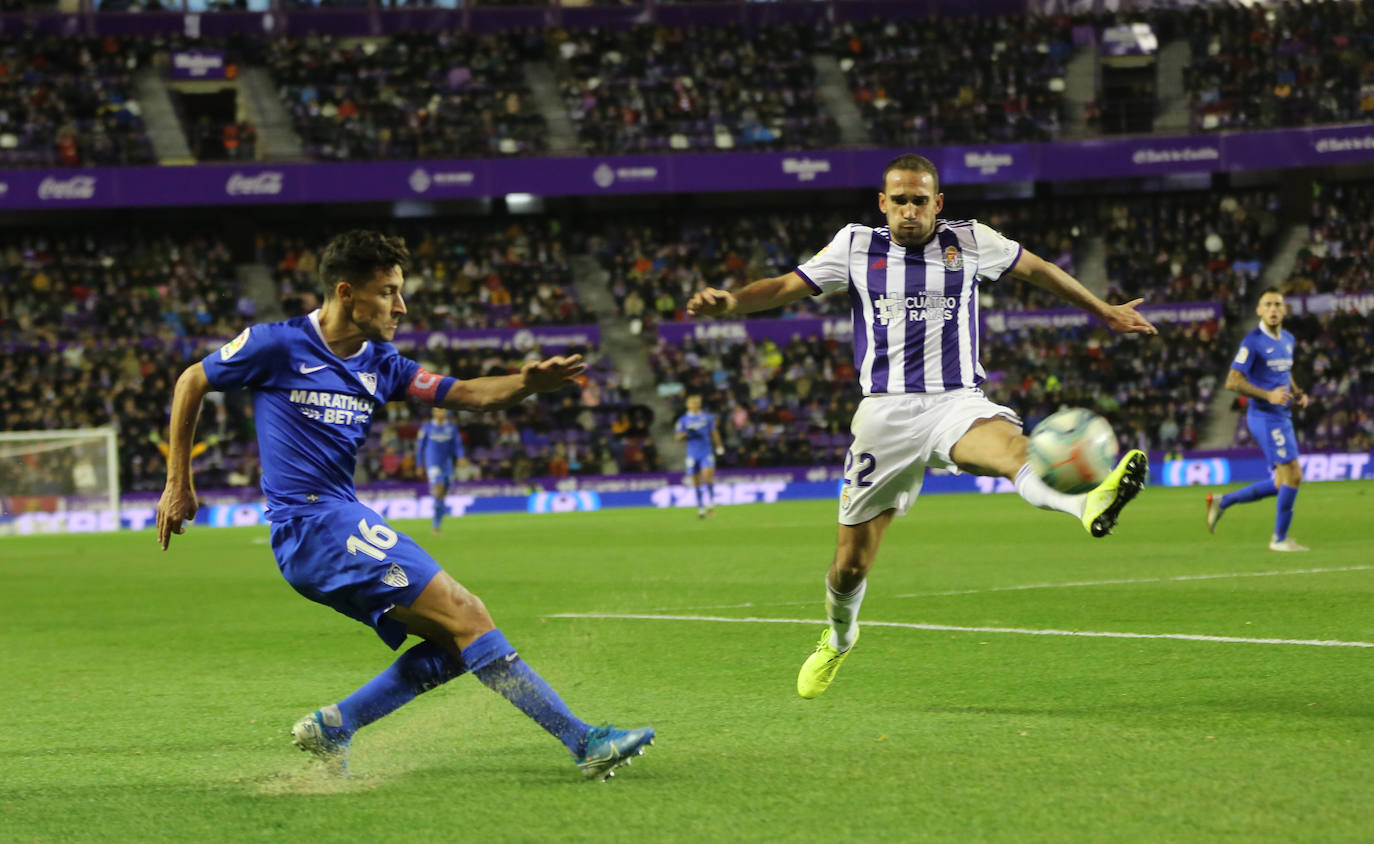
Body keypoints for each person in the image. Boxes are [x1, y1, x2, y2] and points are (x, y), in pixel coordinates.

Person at [155, 230, 653, 780]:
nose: (401, 305)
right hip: (314, 523)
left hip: (336, 521)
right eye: (389, 291)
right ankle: (583, 741)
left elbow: (464, 393)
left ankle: (337, 725)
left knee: (458, 643)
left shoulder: (383, 364)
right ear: (347, 293)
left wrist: (526, 384)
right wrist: (179, 481)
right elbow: (191, 380)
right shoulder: (276, 345)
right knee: (469, 615)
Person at [686, 154, 1157, 700]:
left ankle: (1090, 502)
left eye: (920, 200)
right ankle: (839, 637)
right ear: (883, 204)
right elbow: (784, 287)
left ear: (938, 204)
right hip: (883, 416)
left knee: (1013, 451)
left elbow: (1039, 270)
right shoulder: (855, 246)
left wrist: (1103, 311)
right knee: (849, 565)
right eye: (899, 201)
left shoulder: (972, 241)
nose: (909, 211)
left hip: (955, 402)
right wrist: (730, 302)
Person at [1205, 287, 1310, 551]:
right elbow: (1232, 382)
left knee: (1280, 483)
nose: (1274, 309)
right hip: (1264, 416)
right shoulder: (1251, 342)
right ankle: (1279, 539)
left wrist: (1296, 392)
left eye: (1278, 304)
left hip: (1282, 415)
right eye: (1268, 305)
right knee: (1293, 476)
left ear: (1284, 310)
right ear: (1259, 310)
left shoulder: (1287, 338)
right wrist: (1267, 395)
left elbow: (1285, 371)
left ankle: (1223, 501)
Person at [674, 393, 723, 518]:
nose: (695, 404)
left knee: (707, 478)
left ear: (699, 404)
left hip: (706, 451)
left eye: (697, 402)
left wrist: (719, 446)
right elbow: (677, 437)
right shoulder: (683, 420)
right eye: (692, 402)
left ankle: (711, 502)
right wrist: (685, 433)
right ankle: (700, 507)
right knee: (696, 482)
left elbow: (714, 432)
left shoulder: (707, 418)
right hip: (692, 454)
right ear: (688, 405)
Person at [416, 406, 464, 534]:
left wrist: (460, 457)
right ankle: (436, 525)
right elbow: (420, 448)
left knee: (443, 494)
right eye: (438, 410)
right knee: (438, 488)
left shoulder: (451, 428)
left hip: (447, 464)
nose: (440, 412)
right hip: (433, 464)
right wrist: (419, 465)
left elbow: (457, 445)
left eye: (442, 410)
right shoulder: (426, 428)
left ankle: (438, 512)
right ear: (433, 412)